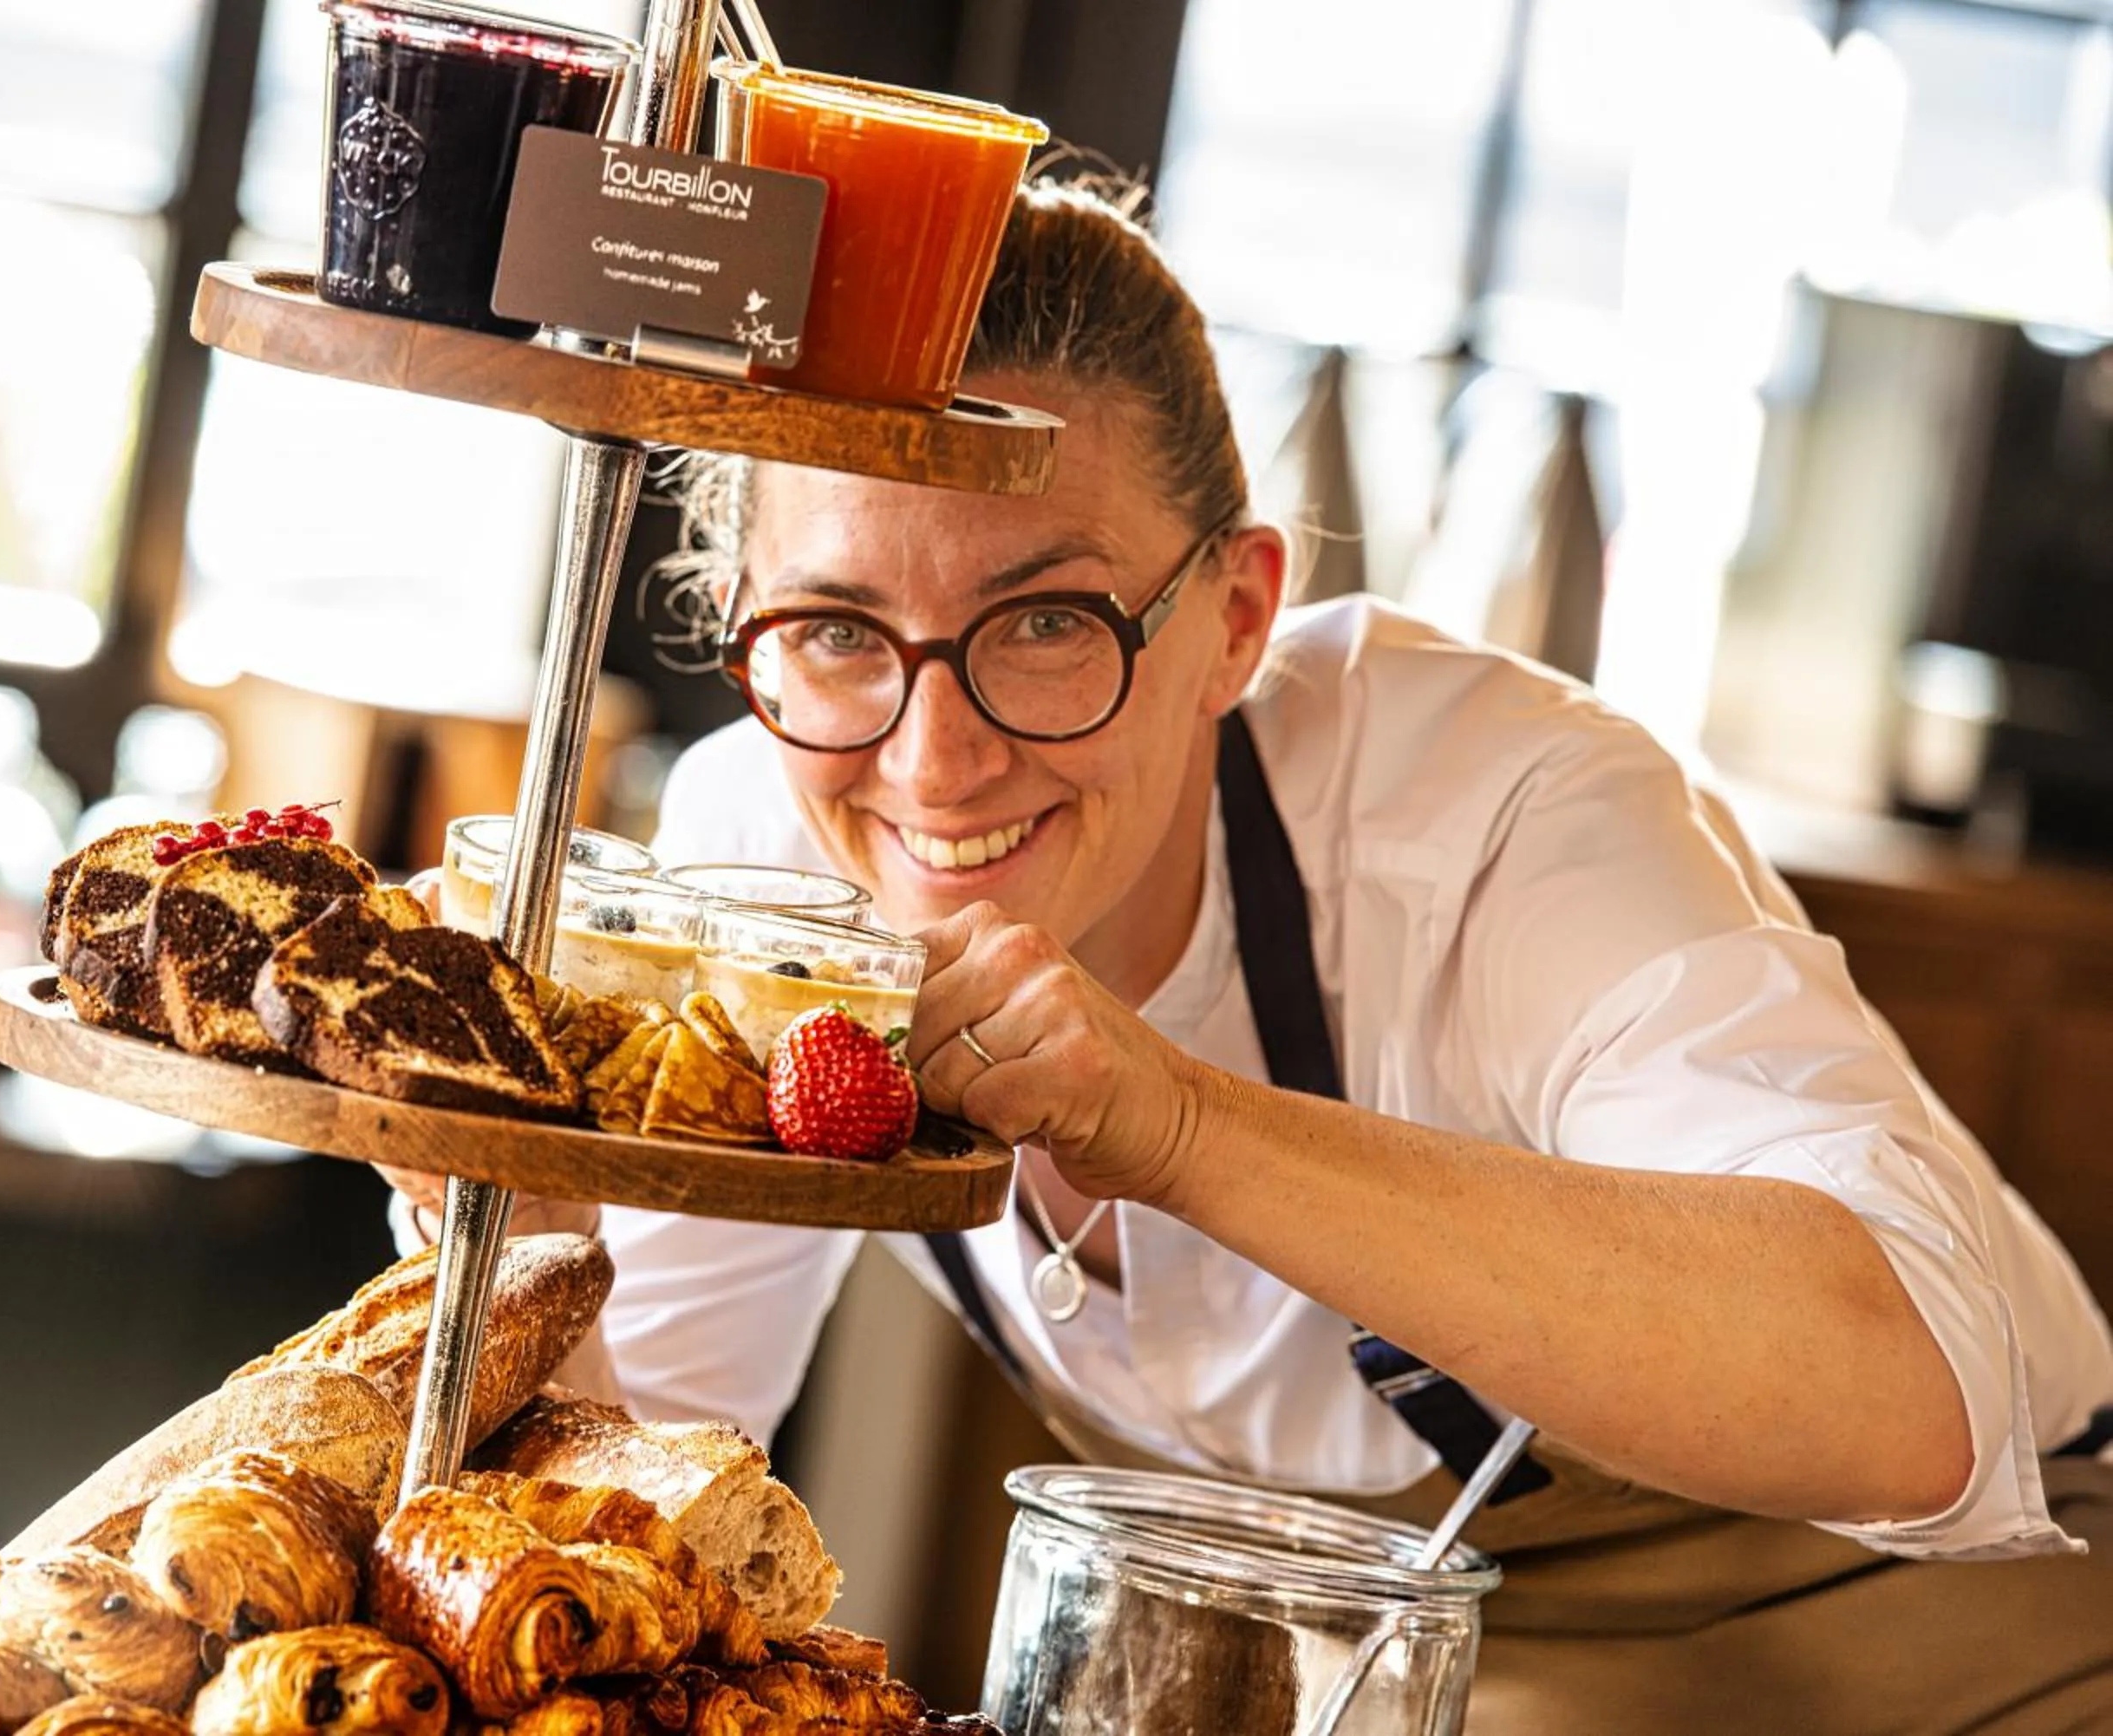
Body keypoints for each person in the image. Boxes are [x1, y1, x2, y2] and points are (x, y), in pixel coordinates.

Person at [398, 179, 2113, 1731]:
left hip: (1959, 1649)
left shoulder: (1499, 809)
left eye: (1050, 623)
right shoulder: (762, 861)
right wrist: (533, 1246)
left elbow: (1906, 1384)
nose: (932, 761)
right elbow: (646, 1514)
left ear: (1234, 615)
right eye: (840, 630)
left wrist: (1186, 1124)